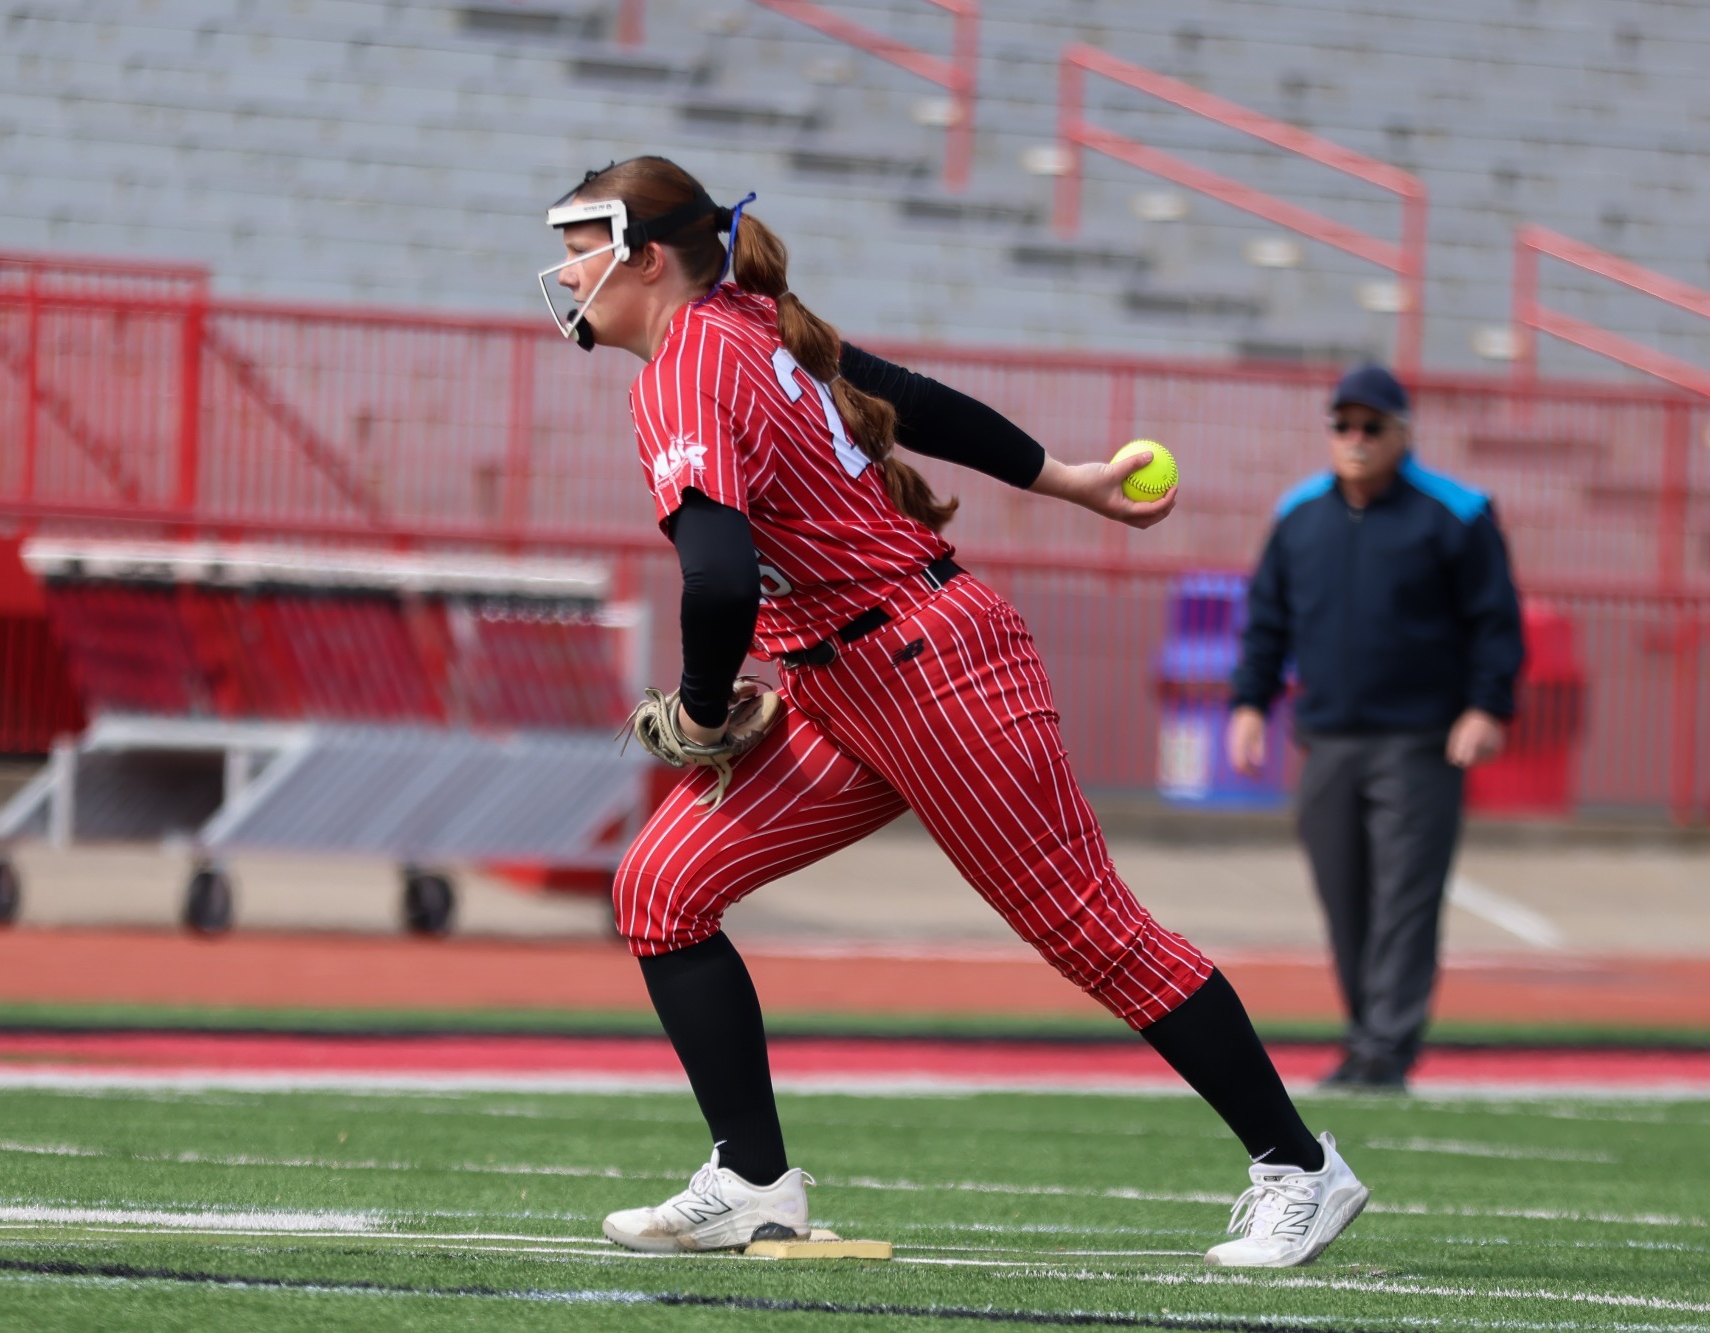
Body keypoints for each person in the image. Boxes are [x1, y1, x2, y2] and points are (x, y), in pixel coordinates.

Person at [536, 156, 1367, 1267]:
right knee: (662, 888)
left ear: (645, 257)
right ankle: (750, 1181)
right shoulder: (745, 319)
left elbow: (721, 580)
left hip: (926, 669)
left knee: (1091, 930)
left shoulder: (685, 366)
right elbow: (909, 402)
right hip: (850, 678)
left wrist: (693, 713)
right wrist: (1066, 477)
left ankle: (1300, 1169)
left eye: (582, 246)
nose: (566, 270)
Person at [1226, 364, 1524, 1090]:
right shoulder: (1300, 515)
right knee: (1345, 897)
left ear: (1403, 433)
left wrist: (1486, 706)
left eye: (1371, 426)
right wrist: (1249, 703)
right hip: (1327, 738)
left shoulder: (1455, 513)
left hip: (1419, 739)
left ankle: (1386, 1049)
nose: (1355, 439)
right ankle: (1369, 1037)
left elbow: (1495, 621)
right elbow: (1267, 620)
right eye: (1343, 425)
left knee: (1405, 898)